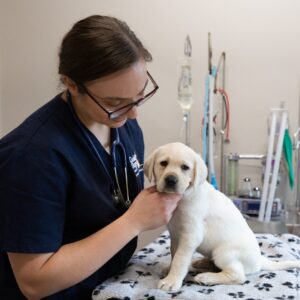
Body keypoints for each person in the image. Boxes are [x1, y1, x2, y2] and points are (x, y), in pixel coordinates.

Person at [0, 15, 181, 299]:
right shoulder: (32, 157)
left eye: (140, 94)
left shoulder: (123, 124)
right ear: (71, 85)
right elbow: (34, 282)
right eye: (114, 103)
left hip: (110, 285)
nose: (134, 114)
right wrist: (132, 222)